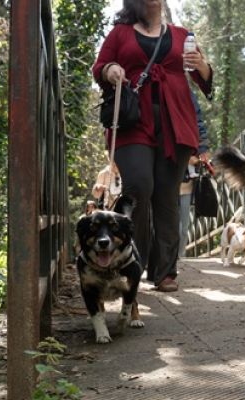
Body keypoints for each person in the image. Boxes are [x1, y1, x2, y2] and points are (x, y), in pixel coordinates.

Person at [92, 0, 213, 292]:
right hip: (133, 121)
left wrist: (202, 65)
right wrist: (111, 70)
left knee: (167, 195)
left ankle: (165, 272)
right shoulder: (120, 33)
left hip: (176, 122)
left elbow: (205, 81)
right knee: (139, 186)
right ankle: (133, 261)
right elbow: (99, 68)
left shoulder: (182, 35)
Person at [179, 93, 211, 258]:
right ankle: (167, 259)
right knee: (170, 226)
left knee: (183, 228)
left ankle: (181, 257)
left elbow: (198, 122)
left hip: (186, 185)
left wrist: (201, 152)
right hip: (165, 181)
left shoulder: (187, 94)